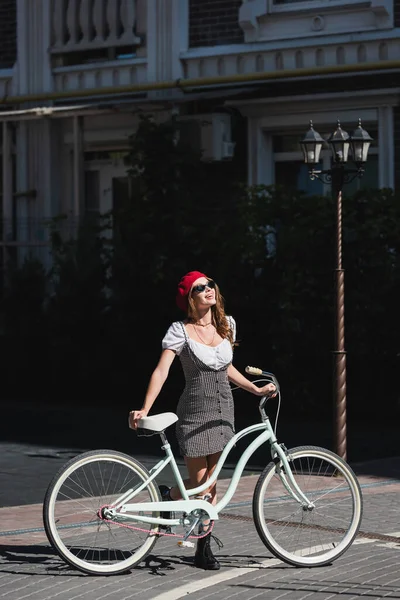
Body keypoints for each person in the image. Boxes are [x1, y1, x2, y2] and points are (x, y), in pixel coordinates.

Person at [129, 271, 276, 570]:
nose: (208, 289)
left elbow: (227, 368)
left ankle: (202, 547)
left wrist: (255, 389)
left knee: (211, 483)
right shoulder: (180, 331)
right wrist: (145, 408)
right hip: (194, 413)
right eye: (200, 288)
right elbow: (162, 371)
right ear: (189, 299)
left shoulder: (226, 325)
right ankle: (173, 501)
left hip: (224, 411)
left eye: (210, 284)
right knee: (199, 485)